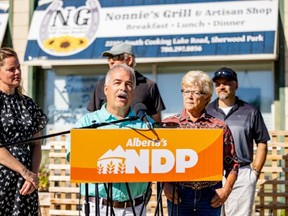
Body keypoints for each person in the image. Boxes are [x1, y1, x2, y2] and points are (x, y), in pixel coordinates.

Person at [67, 64, 153, 216]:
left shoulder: (147, 124)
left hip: (135, 208)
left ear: (133, 92)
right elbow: (75, 159)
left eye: (129, 84)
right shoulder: (87, 124)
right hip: (97, 208)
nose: (123, 88)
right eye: (117, 83)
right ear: (106, 89)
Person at [161, 70, 239, 216]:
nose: (190, 96)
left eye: (196, 93)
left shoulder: (219, 126)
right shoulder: (169, 125)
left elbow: (233, 164)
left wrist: (226, 190)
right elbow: (158, 161)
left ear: (207, 98)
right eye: (186, 91)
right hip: (179, 195)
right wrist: (165, 185)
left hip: (210, 196)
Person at [206, 67, 270, 216]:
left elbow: (262, 141)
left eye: (226, 83)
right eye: (218, 84)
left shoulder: (250, 111)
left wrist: (255, 172)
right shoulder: (206, 111)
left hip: (242, 174)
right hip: (211, 175)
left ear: (236, 85)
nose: (222, 86)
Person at [0, 47, 48, 215]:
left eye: (18, 67)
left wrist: (33, 176)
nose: (17, 72)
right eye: (11, 69)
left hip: (26, 183)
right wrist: (25, 172)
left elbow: (36, 144)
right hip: (3, 178)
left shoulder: (28, 104)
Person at [87, 42, 165, 122]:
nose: (111, 61)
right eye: (109, 58)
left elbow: (156, 123)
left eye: (115, 57)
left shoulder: (149, 86)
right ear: (106, 89)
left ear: (129, 60)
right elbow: (92, 119)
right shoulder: (102, 84)